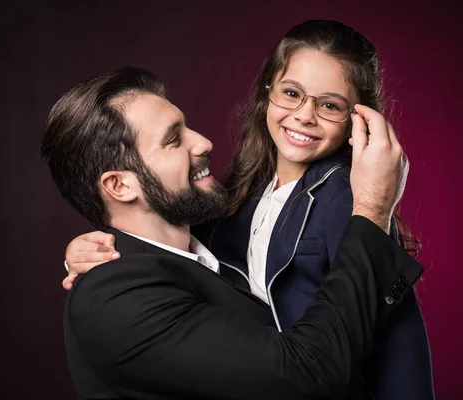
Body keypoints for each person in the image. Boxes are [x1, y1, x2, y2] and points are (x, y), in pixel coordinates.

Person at [63, 20, 434, 399]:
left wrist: (373, 208)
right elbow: (169, 255)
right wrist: (102, 249)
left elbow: (397, 343)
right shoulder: (235, 201)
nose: (305, 115)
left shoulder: (346, 198)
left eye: (329, 105)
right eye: (291, 93)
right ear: (268, 93)